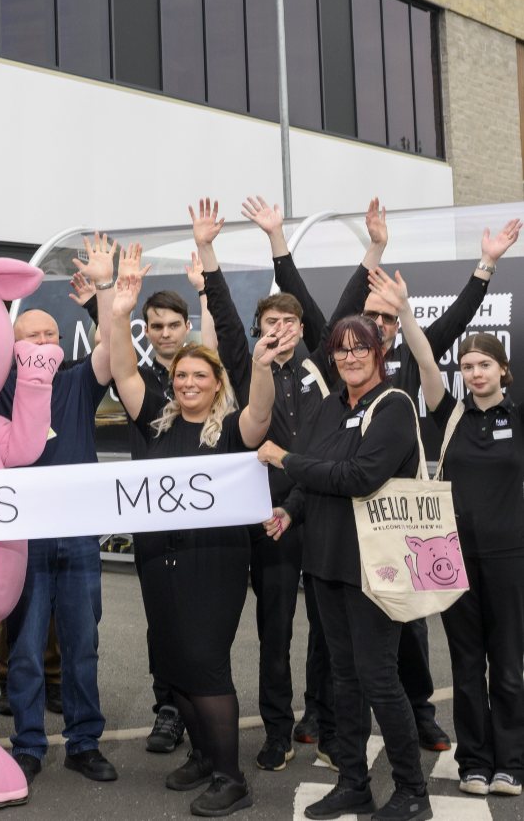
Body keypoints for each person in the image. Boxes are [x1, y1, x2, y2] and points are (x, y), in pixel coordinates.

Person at [247, 197, 521, 753]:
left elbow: (457, 319)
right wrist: (279, 239)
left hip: (402, 512)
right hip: (339, 512)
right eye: (368, 317)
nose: (375, 325)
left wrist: (485, 265)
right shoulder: (343, 355)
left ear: (397, 326)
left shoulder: (414, 362)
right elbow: (311, 301)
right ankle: (321, 716)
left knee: (409, 625)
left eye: (386, 318)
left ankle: (421, 715)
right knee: (332, 631)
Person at [194, 198, 384, 773]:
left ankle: (322, 723)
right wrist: (206, 249)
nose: (278, 331)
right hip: (269, 518)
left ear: (304, 330)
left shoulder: (323, 365)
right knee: (274, 633)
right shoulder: (244, 362)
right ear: (260, 331)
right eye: (269, 324)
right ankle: (276, 732)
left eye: (288, 323)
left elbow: (352, 304)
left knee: (330, 634)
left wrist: (371, 248)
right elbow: (224, 313)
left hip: (324, 512)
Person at [107, 264, 281, 817]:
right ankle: (204, 757)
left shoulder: (231, 431)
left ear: (215, 383)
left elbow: (262, 412)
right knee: (174, 662)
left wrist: (258, 364)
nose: (187, 384)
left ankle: (231, 778)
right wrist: (116, 313)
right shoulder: (155, 425)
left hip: (216, 563)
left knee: (205, 664)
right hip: (160, 562)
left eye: (199, 377)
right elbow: (124, 372)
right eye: (181, 377)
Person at [259, 301, 442, 821]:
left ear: (379, 351)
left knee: (379, 678)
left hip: (375, 564)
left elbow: (358, 475)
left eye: (361, 346)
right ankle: (353, 782)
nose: (351, 356)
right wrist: (291, 511)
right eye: (342, 349)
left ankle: (412, 792)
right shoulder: (330, 403)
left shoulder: (395, 405)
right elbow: (313, 476)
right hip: (326, 560)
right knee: (344, 679)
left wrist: (285, 459)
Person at [0, 234, 118, 791]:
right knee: (23, 648)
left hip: (79, 535)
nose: (43, 342)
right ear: (13, 348)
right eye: (31, 336)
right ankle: (29, 744)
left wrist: (105, 291)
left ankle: (85, 743)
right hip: (24, 536)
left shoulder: (78, 382)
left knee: (82, 644)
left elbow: (114, 349)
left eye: (50, 335)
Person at [86, 239, 216, 757]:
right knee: (161, 618)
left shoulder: (207, 376)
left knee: (202, 619)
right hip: (152, 518)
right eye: (155, 326)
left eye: (172, 325)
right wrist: (112, 296)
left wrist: (207, 291)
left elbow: (222, 346)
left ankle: (203, 706)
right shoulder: (138, 380)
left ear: (187, 329)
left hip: (206, 519)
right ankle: (168, 709)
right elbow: (115, 358)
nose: (164, 334)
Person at [416, 328, 523, 797]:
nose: (475, 373)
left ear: (502, 368)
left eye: (484, 364)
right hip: (452, 560)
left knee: (508, 665)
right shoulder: (449, 416)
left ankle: (511, 764)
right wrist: (403, 311)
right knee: (464, 664)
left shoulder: (519, 418)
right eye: (467, 366)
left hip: (510, 559)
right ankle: (474, 763)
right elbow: (423, 360)